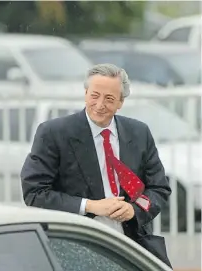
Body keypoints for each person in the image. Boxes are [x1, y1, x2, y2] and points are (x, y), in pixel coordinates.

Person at [21, 63, 172, 267]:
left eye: (109, 99)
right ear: (85, 93)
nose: (100, 104)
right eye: (94, 95)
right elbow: (34, 193)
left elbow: (159, 188)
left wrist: (133, 210)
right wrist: (91, 206)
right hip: (75, 244)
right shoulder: (54, 133)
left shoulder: (139, 133)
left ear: (120, 102)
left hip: (131, 246)